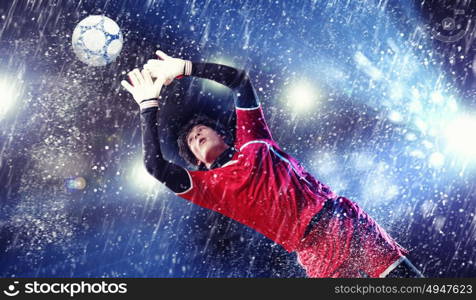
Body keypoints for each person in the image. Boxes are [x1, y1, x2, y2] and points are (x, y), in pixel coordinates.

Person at [120, 50, 423, 278]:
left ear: (222, 134)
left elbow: (239, 80)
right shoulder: (208, 188)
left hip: (342, 222)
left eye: (201, 129)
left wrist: (185, 69)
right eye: (190, 141)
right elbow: (154, 166)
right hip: (314, 253)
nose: (195, 134)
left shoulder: (254, 139)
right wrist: (149, 104)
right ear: (198, 162)